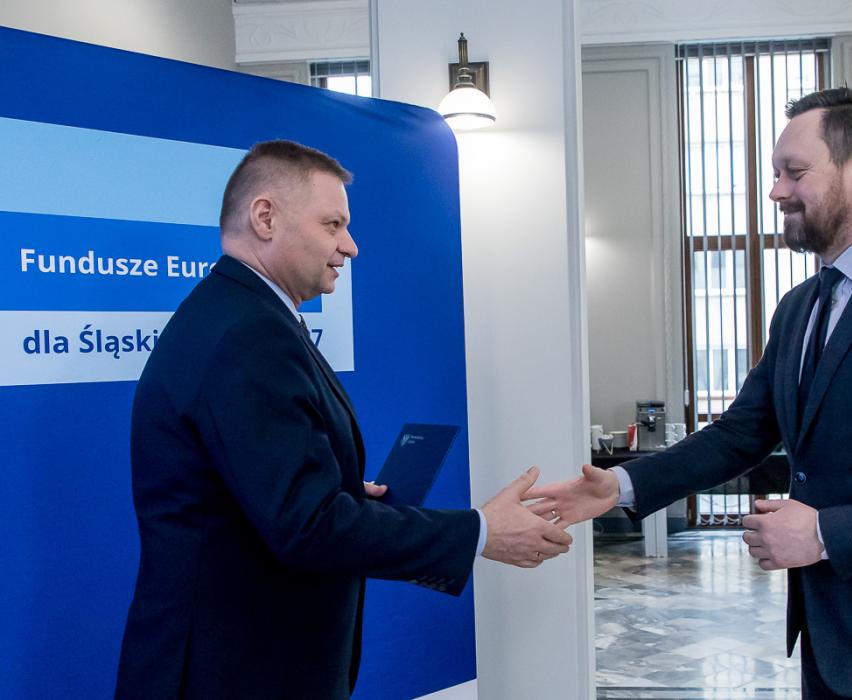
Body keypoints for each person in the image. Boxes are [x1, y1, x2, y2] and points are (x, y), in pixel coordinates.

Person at [527, 88, 852, 698]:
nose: (775, 192)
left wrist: (825, 534)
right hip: (830, 636)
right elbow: (740, 433)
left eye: (794, 172)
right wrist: (621, 485)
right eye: (776, 174)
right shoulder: (800, 306)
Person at [114, 140, 571, 700]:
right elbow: (306, 526)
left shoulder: (242, 315)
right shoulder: (248, 334)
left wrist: (341, 493)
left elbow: (266, 493)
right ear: (265, 218)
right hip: (234, 672)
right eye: (333, 224)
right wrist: (480, 531)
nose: (350, 247)